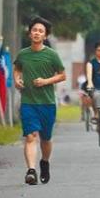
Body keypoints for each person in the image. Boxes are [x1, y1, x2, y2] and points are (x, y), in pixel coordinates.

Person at [14, 16, 66, 185]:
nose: (37, 33)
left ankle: (44, 162)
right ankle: (31, 170)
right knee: (30, 136)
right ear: (30, 34)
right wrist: (17, 80)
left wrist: (46, 81)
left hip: (47, 103)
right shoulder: (23, 54)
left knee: (45, 138)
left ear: (45, 36)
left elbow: (62, 75)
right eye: (34, 30)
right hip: (28, 103)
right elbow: (17, 69)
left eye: (40, 31)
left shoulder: (52, 55)